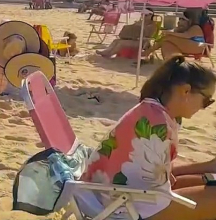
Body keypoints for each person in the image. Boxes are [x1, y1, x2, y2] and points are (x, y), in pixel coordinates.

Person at [82, 56, 216, 220]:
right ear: (186, 91)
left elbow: (161, 174)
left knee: (207, 181)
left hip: (103, 196)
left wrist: (205, 170)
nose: (204, 108)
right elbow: (160, 189)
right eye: (206, 101)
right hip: (122, 207)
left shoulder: (153, 110)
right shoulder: (158, 124)